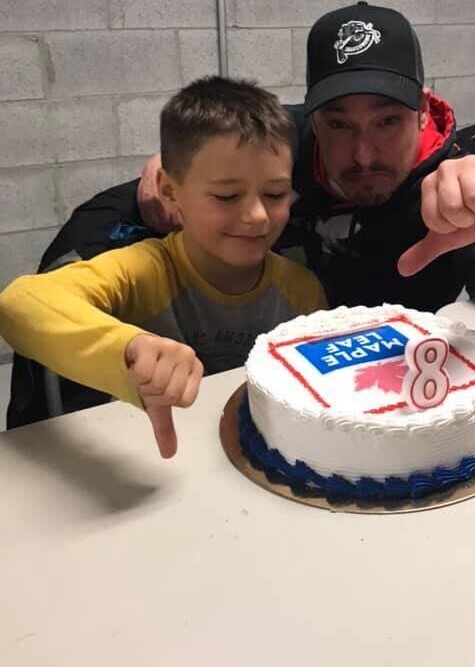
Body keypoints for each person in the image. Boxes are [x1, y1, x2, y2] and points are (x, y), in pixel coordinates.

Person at [140, 2, 475, 330]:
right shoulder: (283, 143)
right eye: (339, 125)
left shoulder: (448, 189)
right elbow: (117, 209)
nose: (363, 154)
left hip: (406, 390)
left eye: (387, 121)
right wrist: (176, 168)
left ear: (422, 111)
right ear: (312, 118)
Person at [0, 78, 326, 456]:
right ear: (170, 192)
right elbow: (20, 303)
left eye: (274, 194)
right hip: (149, 466)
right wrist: (128, 348)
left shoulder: (303, 291)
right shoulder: (143, 269)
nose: (255, 215)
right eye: (226, 195)